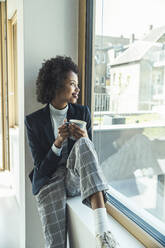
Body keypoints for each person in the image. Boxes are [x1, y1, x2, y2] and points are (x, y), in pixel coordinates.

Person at [25, 56, 120, 248]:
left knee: (84, 144)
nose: (78, 89)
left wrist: (84, 138)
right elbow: (41, 169)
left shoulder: (82, 112)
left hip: (73, 177)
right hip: (49, 180)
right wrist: (58, 142)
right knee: (56, 243)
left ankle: (103, 234)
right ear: (56, 86)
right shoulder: (34, 122)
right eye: (72, 84)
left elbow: (89, 158)